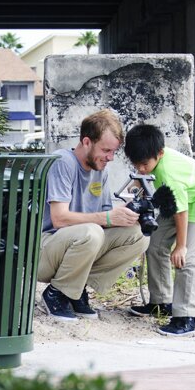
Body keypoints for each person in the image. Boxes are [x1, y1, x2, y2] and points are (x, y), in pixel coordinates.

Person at [38, 109, 148, 321]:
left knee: (139, 235)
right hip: (44, 248)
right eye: (106, 150)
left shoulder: (101, 170)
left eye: (114, 152)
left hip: (79, 244)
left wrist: (127, 213)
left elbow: (105, 214)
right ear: (86, 142)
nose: (110, 157)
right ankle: (56, 293)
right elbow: (59, 218)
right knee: (92, 231)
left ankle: (75, 289)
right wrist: (106, 218)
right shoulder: (62, 161)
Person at [124, 123, 195, 337]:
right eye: (136, 164)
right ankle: (161, 303)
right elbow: (146, 185)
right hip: (181, 199)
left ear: (159, 154)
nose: (140, 168)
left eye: (143, 164)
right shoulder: (152, 161)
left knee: (187, 258)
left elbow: (181, 211)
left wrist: (181, 246)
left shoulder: (168, 171)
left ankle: (186, 317)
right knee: (155, 242)